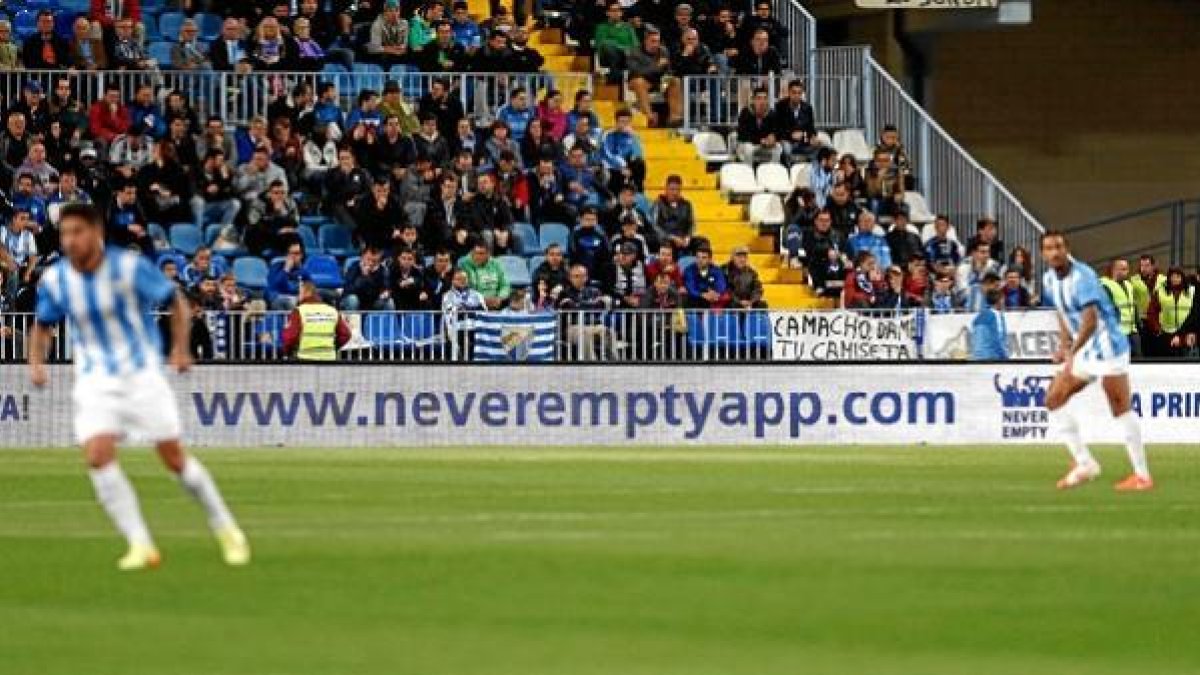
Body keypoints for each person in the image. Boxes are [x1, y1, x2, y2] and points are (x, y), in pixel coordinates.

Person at [27, 203, 249, 571]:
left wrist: (179, 349)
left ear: (96, 233)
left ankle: (225, 527)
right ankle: (140, 543)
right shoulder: (56, 279)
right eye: (64, 233)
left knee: (173, 457)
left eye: (77, 232)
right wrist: (36, 362)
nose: (69, 240)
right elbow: (43, 323)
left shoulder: (128, 267)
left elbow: (174, 301)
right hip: (95, 381)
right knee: (97, 455)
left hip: (141, 374)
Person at [1040, 231, 1152, 491]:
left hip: (1108, 345)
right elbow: (1062, 312)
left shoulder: (1083, 276)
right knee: (1053, 398)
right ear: (1043, 254)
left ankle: (1142, 476)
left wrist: (1071, 352)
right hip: (1085, 349)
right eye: (1049, 248)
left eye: (1058, 247)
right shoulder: (1048, 280)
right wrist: (1065, 344)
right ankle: (1084, 463)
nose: (1054, 252)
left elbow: (1090, 321)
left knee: (1119, 406)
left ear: (1067, 249)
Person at [281, 281, 351, 361]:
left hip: (305, 358)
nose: (298, 296)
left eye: (299, 293)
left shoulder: (299, 311)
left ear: (305, 293)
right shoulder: (332, 311)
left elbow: (290, 337)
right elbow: (346, 335)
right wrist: (334, 347)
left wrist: (287, 352)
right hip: (329, 359)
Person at [1145, 266, 1195, 359]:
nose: (1175, 279)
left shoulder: (1192, 291)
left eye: (1178, 276)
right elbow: (1151, 313)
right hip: (1166, 334)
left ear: (1182, 277)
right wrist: (1158, 329)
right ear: (1169, 277)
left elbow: (1196, 314)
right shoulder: (1160, 292)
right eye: (1172, 276)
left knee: (1187, 364)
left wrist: (1193, 332)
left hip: (1186, 334)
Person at [442, 268, 487, 360]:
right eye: (458, 279)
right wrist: (472, 310)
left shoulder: (477, 295)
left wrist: (466, 310)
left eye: (464, 279)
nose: (462, 281)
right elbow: (451, 313)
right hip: (457, 330)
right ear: (452, 281)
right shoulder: (447, 296)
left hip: (475, 329)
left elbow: (483, 312)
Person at [1100, 258, 1141, 358]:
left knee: (1138, 362)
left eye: (1127, 269)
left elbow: (1132, 305)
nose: (1126, 272)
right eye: (1123, 269)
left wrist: (1137, 322)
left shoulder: (1128, 285)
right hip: (1118, 332)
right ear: (1114, 270)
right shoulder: (1106, 285)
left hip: (1132, 331)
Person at [970, 272, 1009, 360]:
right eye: (1003, 300)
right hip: (992, 358)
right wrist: (1004, 356)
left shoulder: (978, 317)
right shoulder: (996, 316)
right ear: (999, 300)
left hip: (977, 357)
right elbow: (997, 339)